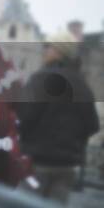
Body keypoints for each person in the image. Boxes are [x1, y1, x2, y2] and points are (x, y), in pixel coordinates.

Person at [17, 30, 99, 204]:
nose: (44, 50)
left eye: (48, 47)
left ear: (59, 52)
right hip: (68, 166)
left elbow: (24, 116)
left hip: (38, 162)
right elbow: (93, 124)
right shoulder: (82, 85)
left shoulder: (41, 78)